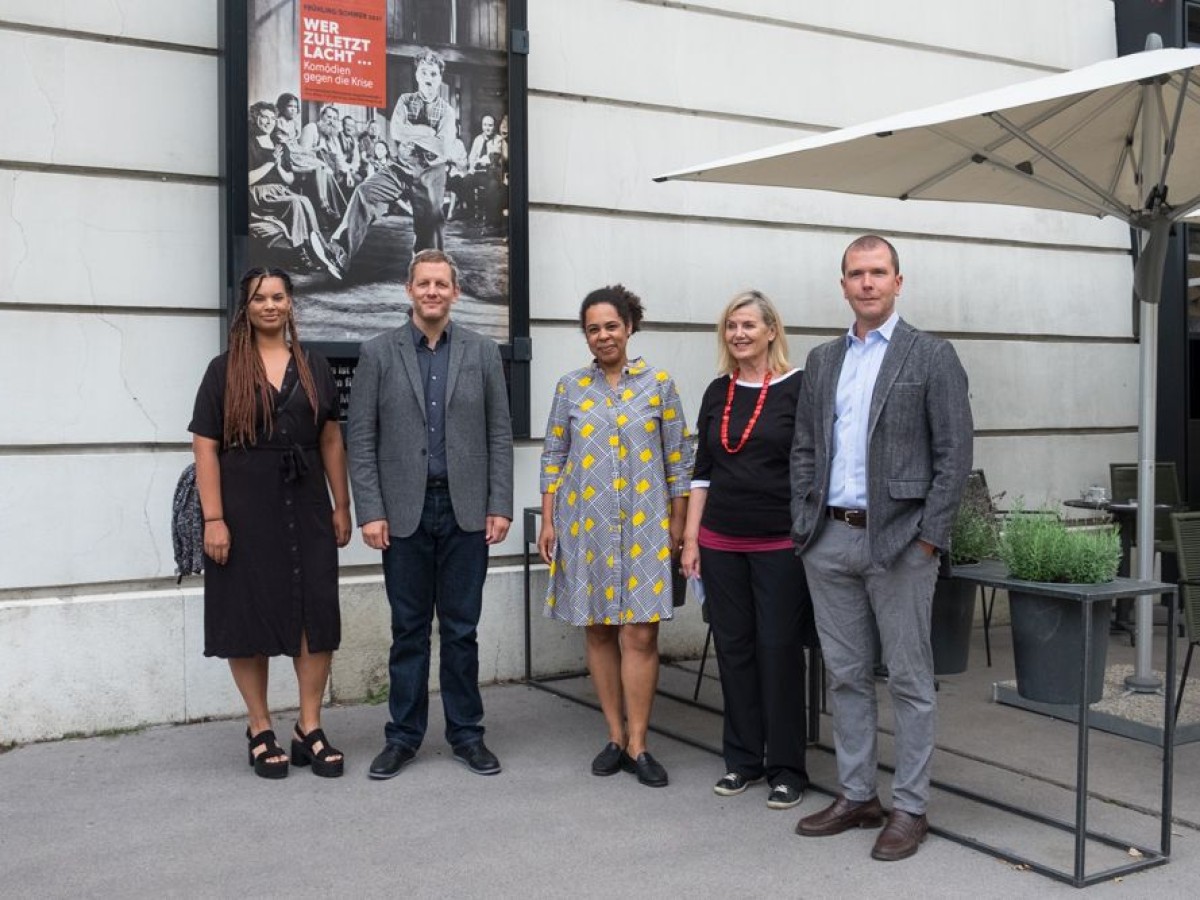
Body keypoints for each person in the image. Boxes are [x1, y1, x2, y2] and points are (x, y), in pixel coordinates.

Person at [790, 235, 973, 861]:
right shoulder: (822, 360)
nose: (866, 283)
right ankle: (858, 794)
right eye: (855, 274)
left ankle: (912, 808)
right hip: (829, 538)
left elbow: (954, 456)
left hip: (899, 542)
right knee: (843, 675)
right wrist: (802, 525)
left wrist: (929, 540)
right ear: (842, 284)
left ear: (898, 281)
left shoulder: (932, 356)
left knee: (910, 679)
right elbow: (807, 448)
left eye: (877, 272)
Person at [347, 248, 513, 780]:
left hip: (466, 511)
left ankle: (467, 735)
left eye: (442, 284)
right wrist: (370, 511)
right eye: (425, 284)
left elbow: (499, 436)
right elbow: (362, 439)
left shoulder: (483, 352)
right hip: (403, 514)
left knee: (462, 631)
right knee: (409, 631)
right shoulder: (377, 352)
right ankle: (403, 738)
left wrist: (500, 504)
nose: (433, 292)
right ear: (409, 289)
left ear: (455, 292)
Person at [189, 267, 352, 779]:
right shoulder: (223, 370)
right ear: (246, 307)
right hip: (244, 505)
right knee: (248, 612)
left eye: (279, 297)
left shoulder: (313, 366)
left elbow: (330, 438)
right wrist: (213, 519)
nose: (270, 305)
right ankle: (260, 727)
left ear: (290, 304)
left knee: (316, 611)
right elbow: (205, 447)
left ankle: (309, 726)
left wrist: (341, 504)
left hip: (305, 502)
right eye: (260, 298)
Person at [536, 285, 692, 788]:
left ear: (629, 326)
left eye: (611, 325)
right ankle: (613, 735)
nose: (603, 336)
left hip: (646, 527)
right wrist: (548, 519)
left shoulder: (659, 385)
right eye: (593, 329)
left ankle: (641, 743)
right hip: (587, 527)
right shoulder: (570, 388)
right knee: (600, 628)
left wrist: (678, 523)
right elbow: (553, 457)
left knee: (640, 632)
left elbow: (679, 462)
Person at [680, 290, 814, 811]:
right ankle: (742, 761)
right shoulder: (718, 390)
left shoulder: (799, 387)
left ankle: (786, 768)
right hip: (720, 542)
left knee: (778, 651)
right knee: (733, 651)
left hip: (780, 543)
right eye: (731, 326)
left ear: (771, 330)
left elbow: (811, 465)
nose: (738, 334)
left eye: (748, 325)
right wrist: (691, 539)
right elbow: (703, 471)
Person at [330, 49, 464, 266]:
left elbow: (442, 146)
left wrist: (414, 131)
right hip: (400, 167)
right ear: (417, 75)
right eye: (424, 72)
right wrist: (428, 132)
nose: (428, 78)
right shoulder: (405, 100)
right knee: (364, 192)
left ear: (440, 78)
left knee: (430, 225)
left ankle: (426, 270)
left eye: (433, 74)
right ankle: (339, 252)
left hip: (431, 173)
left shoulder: (447, 111)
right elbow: (397, 132)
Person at [246, 101, 341, 280]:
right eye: (263, 118)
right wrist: (270, 163)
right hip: (259, 193)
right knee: (296, 201)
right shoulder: (249, 142)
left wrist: (279, 166)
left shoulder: (279, 143)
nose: (268, 122)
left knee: (304, 200)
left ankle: (318, 248)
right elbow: (248, 179)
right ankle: (299, 252)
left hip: (281, 190)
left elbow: (289, 179)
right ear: (255, 118)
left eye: (272, 118)